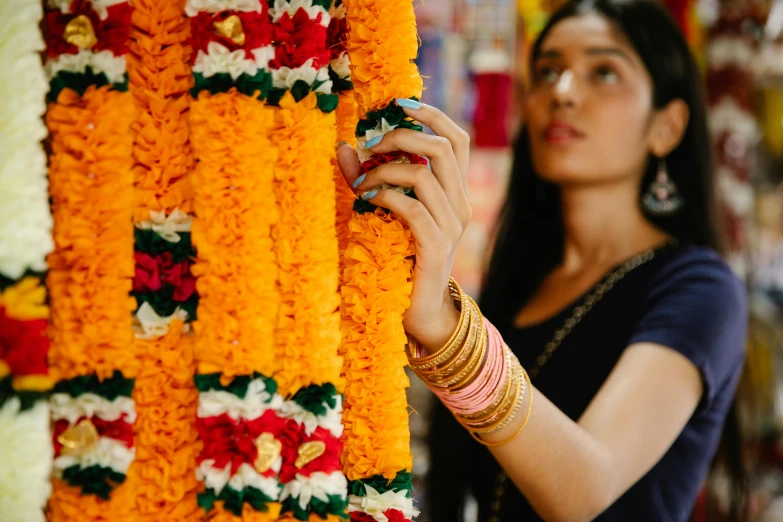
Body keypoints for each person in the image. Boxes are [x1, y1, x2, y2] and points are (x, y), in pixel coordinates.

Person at [336, 0, 748, 519]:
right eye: (548, 70)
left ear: (666, 126)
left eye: (604, 72)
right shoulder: (522, 279)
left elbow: (587, 490)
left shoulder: (701, 289)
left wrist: (445, 330)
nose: (563, 93)